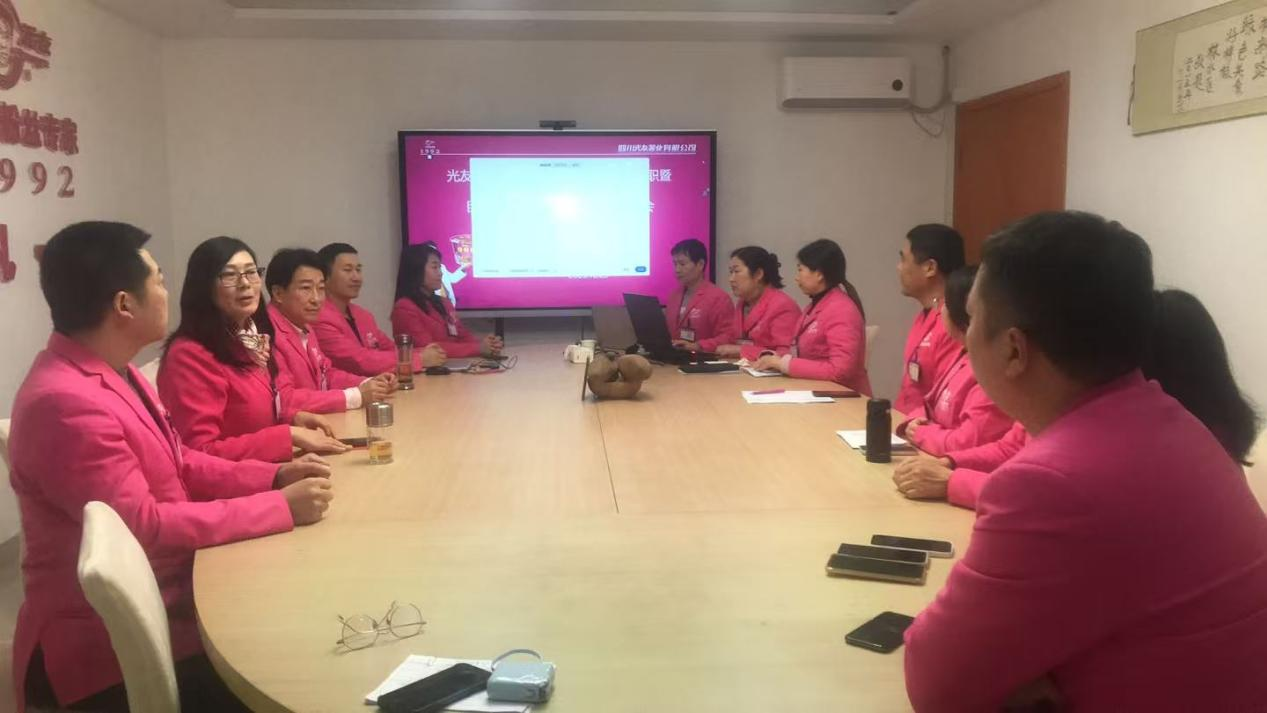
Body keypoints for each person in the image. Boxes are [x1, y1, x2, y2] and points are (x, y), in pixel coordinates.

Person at [903, 211, 1267, 711]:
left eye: (973, 318)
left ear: (1014, 350)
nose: (962, 338)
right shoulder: (1180, 425)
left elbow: (937, 682)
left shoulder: (1051, 482)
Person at [9, 222, 334, 712]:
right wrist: (279, 508)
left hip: (176, 591)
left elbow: (180, 459)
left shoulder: (113, 369)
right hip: (110, 651)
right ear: (125, 304)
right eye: (159, 280)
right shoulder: (64, 402)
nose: (167, 292)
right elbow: (144, 526)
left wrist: (272, 476)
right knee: (300, 666)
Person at [893, 288, 1261, 509]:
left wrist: (952, 481)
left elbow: (1045, 500)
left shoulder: (1168, 450)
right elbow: (1015, 449)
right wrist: (950, 464)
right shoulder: (1171, 429)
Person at [159, 237, 351, 462]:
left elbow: (261, 410)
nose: (245, 283)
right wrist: (287, 436)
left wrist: (292, 418)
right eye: (230, 275)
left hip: (273, 467)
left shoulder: (252, 339)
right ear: (204, 286)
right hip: (244, 480)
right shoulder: (190, 354)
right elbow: (198, 454)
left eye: (251, 272)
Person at [896, 266, 1012, 455]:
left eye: (944, 304)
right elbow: (929, 403)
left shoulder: (991, 371)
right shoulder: (964, 355)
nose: (940, 310)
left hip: (950, 461)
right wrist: (914, 422)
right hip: (934, 452)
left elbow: (968, 442)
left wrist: (921, 433)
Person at [264, 248, 394, 409]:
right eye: (306, 288)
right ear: (278, 293)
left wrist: (368, 383)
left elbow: (326, 375)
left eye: (321, 288)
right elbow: (283, 400)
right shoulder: (266, 333)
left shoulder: (305, 325)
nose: (316, 299)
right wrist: (356, 396)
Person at [751, 239, 871, 394]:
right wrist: (774, 358)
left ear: (819, 274)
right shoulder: (816, 305)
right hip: (816, 391)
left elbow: (840, 371)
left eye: (800, 270)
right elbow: (801, 353)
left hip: (843, 396)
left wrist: (783, 364)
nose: (796, 277)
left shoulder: (841, 309)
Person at [312, 242, 445, 377]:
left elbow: (390, 348)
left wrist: (423, 353)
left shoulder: (363, 315)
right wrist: (420, 359)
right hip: (347, 387)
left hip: (378, 384)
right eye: (347, 270)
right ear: (325, 277)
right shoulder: (318, 317)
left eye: (358, 270)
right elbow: (358, 361)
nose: (356, 277)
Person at [894, 224, 965, 415]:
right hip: (906, 420)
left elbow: (945, 402)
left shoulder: (953, 322)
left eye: (903, 259)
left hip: (924, 427)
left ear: (930, 268)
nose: (898, 267)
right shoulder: (925, 314)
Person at [391, 243, 502, 360]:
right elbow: (429, 349)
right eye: (435, 267)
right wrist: (478, 348)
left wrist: (487, 345)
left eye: (440, 267)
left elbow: (462, 336)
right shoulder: (404, 308)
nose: (441, 273)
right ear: (416, 271)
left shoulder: (445, 303)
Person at [711, 247, 800, 360]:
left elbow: (786, 354)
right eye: (730, 272)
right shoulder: (742, 303)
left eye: (736, 271)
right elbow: (731, 339)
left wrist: (741, 351)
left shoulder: (783, 306)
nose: (731, 279)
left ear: (758, 274)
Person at [664, 238, 735, 352]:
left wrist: (698, 346)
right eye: (675, 264)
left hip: (704, 358)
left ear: (700, 264)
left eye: (682, 264)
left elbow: (728, 338)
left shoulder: (719, 298)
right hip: (675, 357)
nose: (677, 269)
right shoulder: (674, 296)